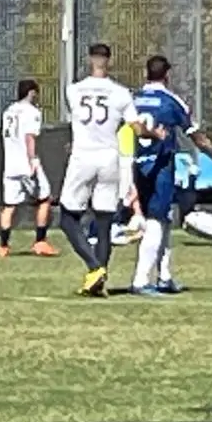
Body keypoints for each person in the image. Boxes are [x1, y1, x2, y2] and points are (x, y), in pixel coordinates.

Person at [130, 55, 212, 296]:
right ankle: (140, 280)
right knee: (156, 221)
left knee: (164, 219)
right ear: (167, 75)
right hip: (161, 165)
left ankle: (164, 276)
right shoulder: (172, 102)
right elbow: (197, 137)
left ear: (146, 74)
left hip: (138, 165)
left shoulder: (134, 99)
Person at [61, 43, 148, 296]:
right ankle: (99, 280)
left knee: (68, 217)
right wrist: (154, 133)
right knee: (104, 220)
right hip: (110, 157)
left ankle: (94, 267)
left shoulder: (73, 90)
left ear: (90, 59)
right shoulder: (121, 93)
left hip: (83, 156)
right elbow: (137, 128)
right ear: (109, 60)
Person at [0, 79, 58, 259]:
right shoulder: (31, 112)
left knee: (9, 206)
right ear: (31, 92)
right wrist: (32, 159)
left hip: (10, 164)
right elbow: (29, 137)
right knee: (45, 198)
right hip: (25, 163)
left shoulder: (8, 111)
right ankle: (40, 242)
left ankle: (3, 246)